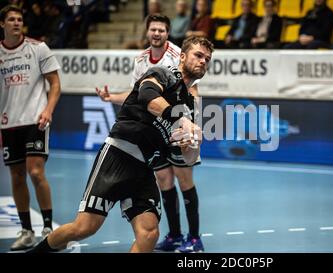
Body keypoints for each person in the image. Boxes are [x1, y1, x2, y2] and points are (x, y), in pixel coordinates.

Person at [28, 35, 213, 253]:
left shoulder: (190, 105)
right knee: (84, 228)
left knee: (149, 233)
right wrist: (180, 119)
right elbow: (147, 97)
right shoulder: (162, 73)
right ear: (182, 56)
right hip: (117, 155)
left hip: (144, 169)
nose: (203, 61)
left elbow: (188, 159)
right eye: (198, 55)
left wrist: (193, 143)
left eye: (207, 59)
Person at [96, 15, 205, 253]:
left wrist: (191, 122)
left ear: (168, 33)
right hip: (155, 130)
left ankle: (195, 239)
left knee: (184, 179)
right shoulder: (141, 60)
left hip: (180, 122)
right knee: (164, 180)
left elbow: (193, 91)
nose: (157, 33)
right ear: (147, 32)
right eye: (153, 29)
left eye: (162, 30)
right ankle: (175, 235)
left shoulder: (179, 55)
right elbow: (138, 94)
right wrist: (111, 98)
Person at [0, 5, 61, 251]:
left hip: (35, 120)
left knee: (35, 172)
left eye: (19, 19)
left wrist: (48, 110)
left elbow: (55, 84)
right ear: (2, 24)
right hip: (8, 123)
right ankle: (26, 230)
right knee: (16, 176)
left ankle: (47, 227)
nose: (16, 23)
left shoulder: (38, 48)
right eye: (11, 19)